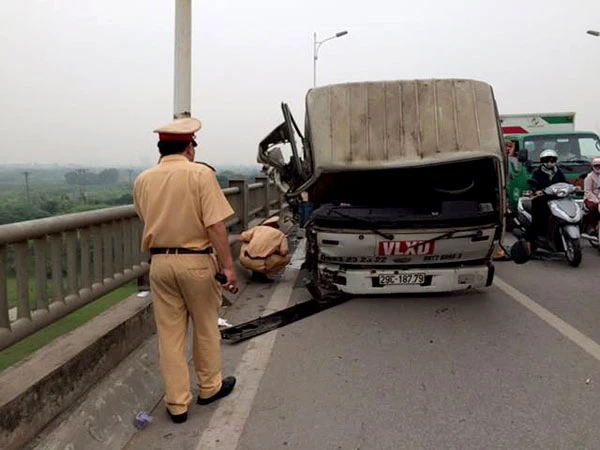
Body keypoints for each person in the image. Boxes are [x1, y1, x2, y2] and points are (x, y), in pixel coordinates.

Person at [133, 117, 238, 424]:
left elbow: (145, 217)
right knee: (205, 327)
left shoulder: (143, 180)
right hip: (196, 261)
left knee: (169, 335)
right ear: (190, 147)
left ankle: (177, 404)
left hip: (160, 264)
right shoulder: (200, 174)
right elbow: (215, 225)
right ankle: (209, 387)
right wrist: (228, 267)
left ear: (160, 149)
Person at [525, 149, 567, 245]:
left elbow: (564, 182)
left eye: (552, 160)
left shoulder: (558, 171)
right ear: (542, 161)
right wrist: (536, 191)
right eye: (546, 160)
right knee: (538, 220)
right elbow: (533, 183)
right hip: (541, 199)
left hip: (556, 199)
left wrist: (572, 187)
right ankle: (529, 240)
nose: (549, 163)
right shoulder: (537, 172)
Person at [239, 216, 291, 282]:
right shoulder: (281, 235)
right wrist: (275, 250)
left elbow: (242, 237)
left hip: (245, 260)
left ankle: (255, 273)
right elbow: (284, 251)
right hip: (263, 262)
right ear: (276, 226)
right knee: (286, 258)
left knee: (246, 243)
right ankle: (263, 273)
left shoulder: (256, 228)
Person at [583, 157, 600, 235]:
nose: (598, 167)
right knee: (594, 207)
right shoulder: (589, 177)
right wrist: (596, 199)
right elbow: (588, 191)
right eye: (596, 166)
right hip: (591, 198)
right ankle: (592, 226)